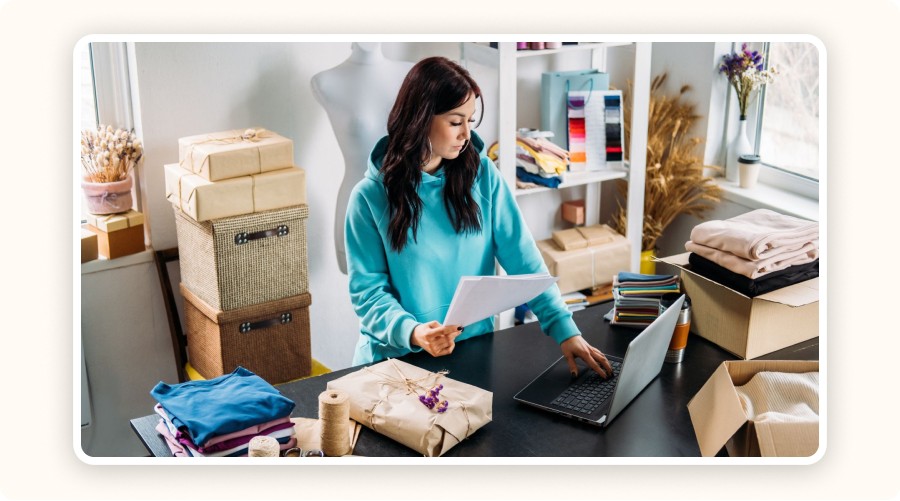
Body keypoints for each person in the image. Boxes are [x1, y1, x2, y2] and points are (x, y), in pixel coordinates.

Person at [344, 56, 613, 379]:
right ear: (420, 119)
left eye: (471, 121)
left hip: (472, 351)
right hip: (396, 361)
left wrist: (565, 330)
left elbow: (524, 261)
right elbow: (369, 294)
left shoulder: (483, 175)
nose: (466, 134)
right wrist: (414, 332)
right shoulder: (368, 198)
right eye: (456, 122)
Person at [311, 42, 413, 274]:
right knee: (365, 296)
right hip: (358, 205)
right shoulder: (326, 81)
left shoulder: (411, 74)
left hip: (409, 202)